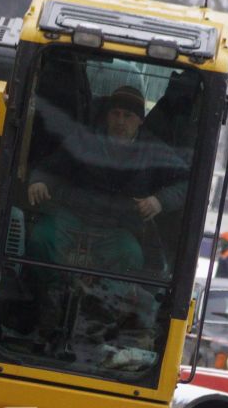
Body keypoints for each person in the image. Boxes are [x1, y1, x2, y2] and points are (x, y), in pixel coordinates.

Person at [24, 84, 189, 274]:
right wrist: (39, 180)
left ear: (141, 120)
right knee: (41, 239)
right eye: (115, 113)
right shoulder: (85, 140)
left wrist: (160, 200)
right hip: (73, 218)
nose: (120, 121)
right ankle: (46, 295)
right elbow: (52, 165)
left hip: (118, 229)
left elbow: (186, 183)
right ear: (107, 116)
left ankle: (109, 299)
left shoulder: (154, 151)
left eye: (128, 116)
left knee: (131, 254)